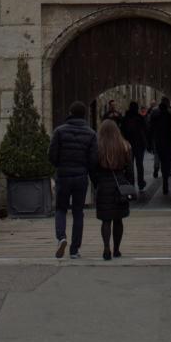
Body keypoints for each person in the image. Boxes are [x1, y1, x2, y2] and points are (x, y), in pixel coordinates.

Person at [48, 100, 97, 259]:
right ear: (84, 115)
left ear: (70, 113)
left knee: (61, 209)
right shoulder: (90, 133)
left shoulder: (59, 131)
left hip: (63, 175)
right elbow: (93, 160)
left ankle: (61, 237)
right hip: (81, 176)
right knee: (78, 212)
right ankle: (75, 249)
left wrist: (59, 165)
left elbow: (52, 155)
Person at [94, 118, 135, 260]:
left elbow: (93, 168)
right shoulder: (124, 145)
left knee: (106, 220)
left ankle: (106, 247)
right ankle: (117, 249)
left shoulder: (97, 146)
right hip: (120, 185)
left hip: (104, 184)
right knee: (118, 219)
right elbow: (129, 168)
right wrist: (130, 185)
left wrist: (96, 183)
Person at [120, 100, 148, 190]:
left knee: (129, 165)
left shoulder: (125, 118)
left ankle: (131, 182)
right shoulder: (140, 118)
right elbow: (146, 130)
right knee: (139, 164)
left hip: (128, 145)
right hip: (139, 145)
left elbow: (121, 131)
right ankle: (140, 183)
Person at [150, 96, 171, 195]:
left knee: (157, 157)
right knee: (166, 163)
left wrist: (150, 142)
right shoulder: (170, 116)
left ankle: (157, 168)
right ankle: (165, 183)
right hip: (168, 143)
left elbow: (151, 128)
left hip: (158, 142)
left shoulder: (155, 114)